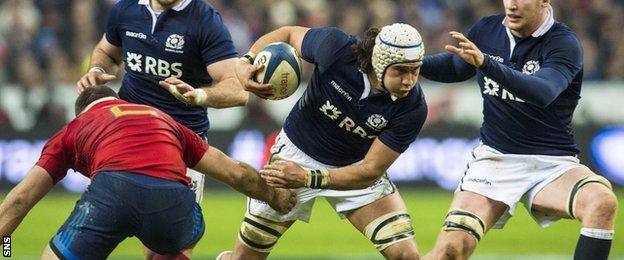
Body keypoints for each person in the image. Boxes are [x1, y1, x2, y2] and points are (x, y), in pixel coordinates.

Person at [0, 86, 296, 260]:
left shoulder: (74, 129)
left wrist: (6, 249)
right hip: (173, 202)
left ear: (83, 111)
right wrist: (273, 197)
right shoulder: (162, 119)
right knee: (185, 228)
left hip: (110, 194)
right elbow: (236, 174)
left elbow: (19, 201)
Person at [419, 1, 618, 259]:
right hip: (496, 161)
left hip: (552, 164)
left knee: (602, 202)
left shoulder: (563, 43)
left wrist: (486, 64)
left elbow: (542, 91)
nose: (511, 5)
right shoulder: (487, 30)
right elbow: (457, 67)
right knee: (450, 250)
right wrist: (409, 62)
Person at [218, 23, 429, 260]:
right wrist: (247, 60)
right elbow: (288, 34)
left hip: (354, 168)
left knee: (406, 256)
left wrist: (309, 177)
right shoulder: (335, 47)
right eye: (400, 71)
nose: (409, 80)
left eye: (415, 70)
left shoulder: (413, 107)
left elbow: (370, 171)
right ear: (379, 63)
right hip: (294, 155)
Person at [76, 0, 250, 204]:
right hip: (127, 139)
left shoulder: (205, 20)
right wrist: (97, 70)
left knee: (173, 234)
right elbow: (106, 52)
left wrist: (199, 95)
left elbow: (238, 90)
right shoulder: (126, 9)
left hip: (181, 145)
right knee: (103, 225)